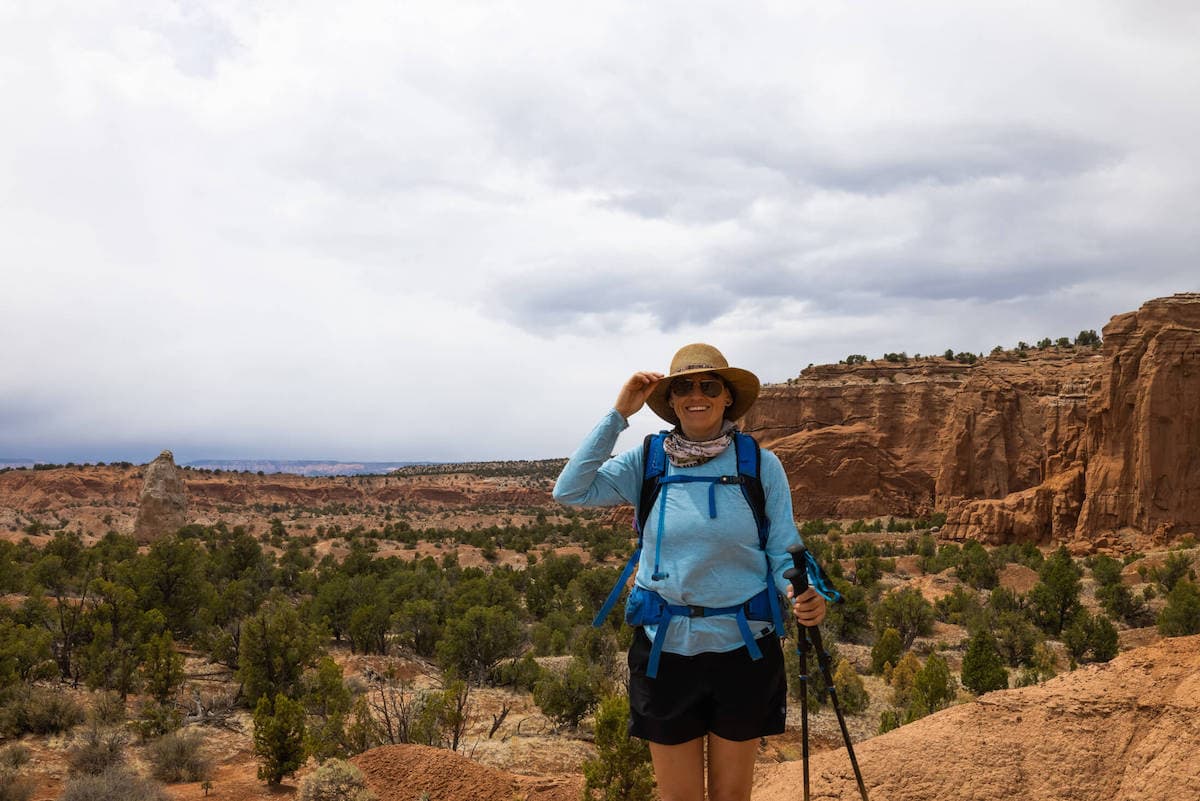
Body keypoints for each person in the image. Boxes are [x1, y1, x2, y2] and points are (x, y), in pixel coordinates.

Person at [553, 343, 828, 801]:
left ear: (726, 398)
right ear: (672, 401)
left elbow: (784, 548)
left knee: (730, 797)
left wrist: (805, 592)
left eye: (708, 385)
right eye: (683, 387)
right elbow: (570, 490)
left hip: (744, 650)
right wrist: (619, 413)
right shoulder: (648, 460)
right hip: (666, 651)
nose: (695, 394)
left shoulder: (759, 463)